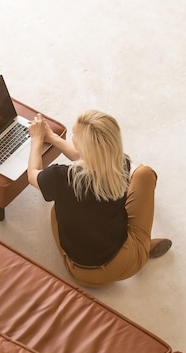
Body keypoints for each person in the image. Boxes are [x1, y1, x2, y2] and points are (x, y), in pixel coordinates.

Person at [27, 109, 171, 287]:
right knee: (144, 174)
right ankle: (142, 246)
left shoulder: (60, 178)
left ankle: (140, 247)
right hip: (125, 263)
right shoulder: (121, 165)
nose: (72, 136)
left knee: (56, 210)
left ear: (82, 146)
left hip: (80, 272)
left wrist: (37, 139)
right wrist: (52, 137)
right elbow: (91, 160)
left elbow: (32, 174)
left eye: (74, 134)